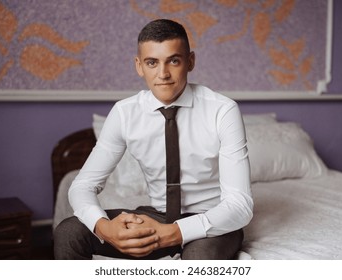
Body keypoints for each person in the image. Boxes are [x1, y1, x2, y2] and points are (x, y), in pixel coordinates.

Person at [54, 19, 253, 260]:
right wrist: (105, 228)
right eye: (152, 63)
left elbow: (240, 205)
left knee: (198, 259)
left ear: (190, 62)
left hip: (210, 220)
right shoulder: (125, 113)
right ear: (139, 66)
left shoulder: (222, 110)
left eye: (174, 61)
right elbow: (82, 186)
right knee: (69, 231)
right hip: (156, 215)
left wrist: (173, 233)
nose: (163, 74)